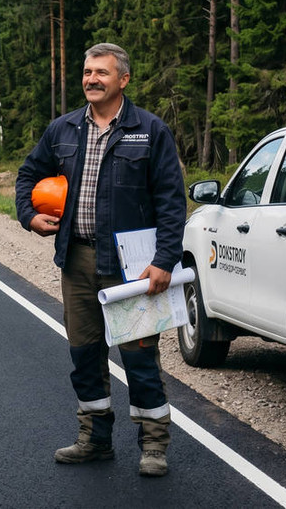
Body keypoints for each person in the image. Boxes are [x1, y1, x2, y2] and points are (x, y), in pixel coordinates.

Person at [14, 42, 186, 478]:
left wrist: (166, 259)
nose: (91, 79)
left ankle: (153, 444)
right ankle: (94, 439)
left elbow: (171, 200)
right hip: (77, 260)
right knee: (84, 354)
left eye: (101, 73)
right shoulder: (64, 129)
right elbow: (27, 175)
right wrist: (29, 215)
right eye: (87, 72)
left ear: (123, 80)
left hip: (132, 267)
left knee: (140, 356)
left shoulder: (150, 130)